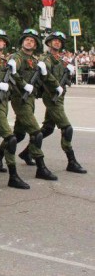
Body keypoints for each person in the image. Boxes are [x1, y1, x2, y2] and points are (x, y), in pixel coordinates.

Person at [0, 29, 30, 189]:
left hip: (3, 103)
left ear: (5, 44)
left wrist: (23, 84)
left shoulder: (5, 61)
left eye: (1, 40)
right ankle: (13, 176)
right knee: (11, 138)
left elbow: (15, 78)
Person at [10, 29, 60, 180]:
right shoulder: (17, 57)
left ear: (35, 44)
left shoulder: (35, 60)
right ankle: (41, 168)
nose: (29, 42)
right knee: (36, 133)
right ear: (22, 42)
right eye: (26, 39)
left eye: (32, 40)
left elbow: (46, 76)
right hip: (20, 98)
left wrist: (56, 85)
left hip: (30, 99)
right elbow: (14, 72)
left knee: (18, 134)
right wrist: (23, 84)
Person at [39, 31, 87, 174]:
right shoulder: (45, 58)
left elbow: (63, 78)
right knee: (67, 128)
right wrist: (57, 86)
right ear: (48, 43)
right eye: (54, 40)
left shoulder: (60, 60)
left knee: (48, 128)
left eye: (60, 41)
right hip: (51, 97)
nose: (57, 42)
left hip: (59, 97)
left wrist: (68, 73)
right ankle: (71, 161)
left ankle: (27, 151)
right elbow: (46, 76)